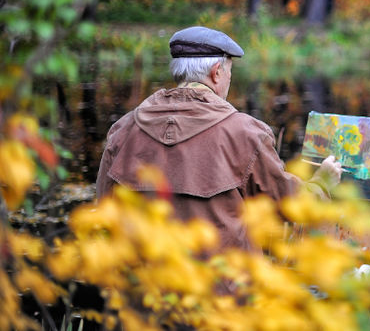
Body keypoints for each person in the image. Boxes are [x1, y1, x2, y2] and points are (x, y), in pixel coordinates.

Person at [96, 26, 342, 250]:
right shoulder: (244, 134)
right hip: (222, 291)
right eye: (229, 73)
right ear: (216, 73)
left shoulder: (122, 130)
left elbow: (104, 214)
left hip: (144, 290)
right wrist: (321, 183)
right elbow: (289, 206)